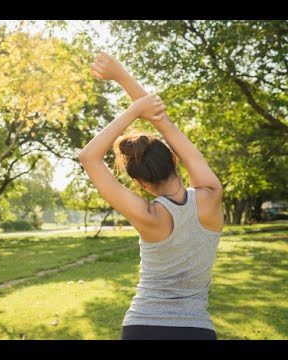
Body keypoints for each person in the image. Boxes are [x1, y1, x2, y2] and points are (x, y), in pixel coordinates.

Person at [77, 53, 224, 340]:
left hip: (142, 327)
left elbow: (88, 157)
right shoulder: (211, 195)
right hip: (196, 330)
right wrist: (123, 78)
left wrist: (133, 110)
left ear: (142, 184)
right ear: (173, 157)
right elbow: (164, 123)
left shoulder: (148, 216)